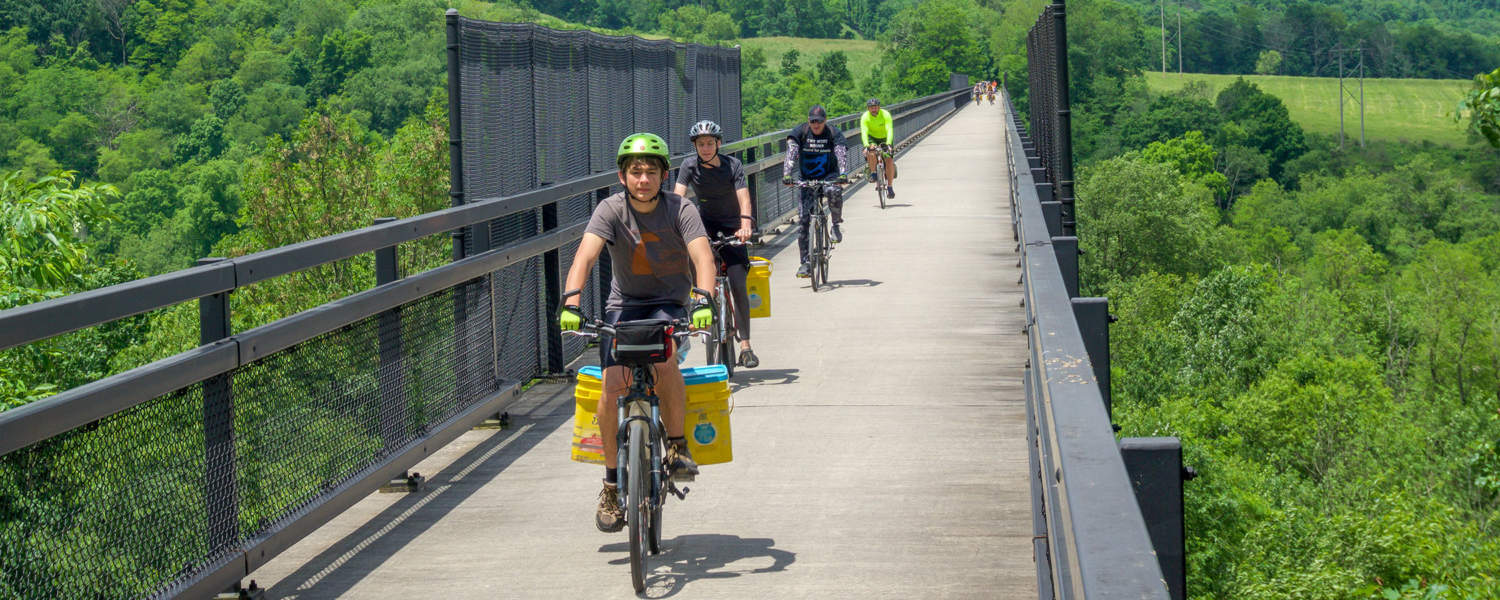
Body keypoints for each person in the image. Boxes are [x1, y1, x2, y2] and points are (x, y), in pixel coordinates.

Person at [558, 132, 718, 533]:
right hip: (624, 307)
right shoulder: (609, 210)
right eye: (635, 171)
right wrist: (572, 303)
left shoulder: (681, 209)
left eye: (650, 171)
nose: (642, 179)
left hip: (670, 304)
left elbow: (702, 256)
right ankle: (611, 483)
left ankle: (678, 445)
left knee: (665, 363)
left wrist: (703, 301)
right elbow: (586, 255)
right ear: (622, 176)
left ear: (664, 175)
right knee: (613, 386)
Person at [672, 120, 760, 368]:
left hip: (734, 227)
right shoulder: (689, 166)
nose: (706, 148)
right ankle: (699, 309)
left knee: (738, 282)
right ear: (695, 146)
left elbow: (743, 197)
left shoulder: (733, 166)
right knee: (698, 276)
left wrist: (745, 225)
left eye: (710, 143)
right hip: (704, 226)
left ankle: (745, 346)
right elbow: (677, 198)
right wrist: (673, 224)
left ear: (718, 144)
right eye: (701, 144)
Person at [781, 105, 850, 278]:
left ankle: (835, 226)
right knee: (804, 221)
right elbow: (792, 151)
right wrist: (787, 174)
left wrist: (842, 173)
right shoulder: (801, 132)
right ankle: (805, 262)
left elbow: (840, 152)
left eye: (819, 121)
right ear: (808, 121)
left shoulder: (833, 133)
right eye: (812, 121)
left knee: (833, 191)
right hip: (807, 178)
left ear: (825, 121)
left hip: (829, 175)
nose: (816, 124)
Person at [859, 98, 897, 197]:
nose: (874, 109)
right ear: (868, 108)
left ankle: (890, 187)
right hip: (872, 137)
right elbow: (864, 132)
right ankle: (873, 173)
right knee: (871, 152)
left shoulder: (885, 114)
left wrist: (888, 143)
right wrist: (866, 145)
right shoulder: (865, 117)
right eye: (871, 107)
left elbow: (889, 129)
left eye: (875, 107)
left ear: (879, 107)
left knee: (888, 159)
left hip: (885, 138)